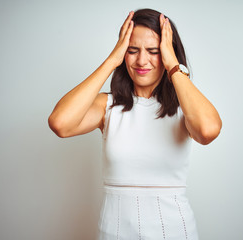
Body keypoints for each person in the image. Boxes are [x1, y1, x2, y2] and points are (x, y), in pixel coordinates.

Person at [48, 8, 222, 240]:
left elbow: (208, 131)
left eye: (153, 51)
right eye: (132, 50)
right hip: (115, 232)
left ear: (167, 51)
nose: (141, 60)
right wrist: (112, 60)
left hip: (174, 232)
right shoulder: (107, 106)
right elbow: (60, 123)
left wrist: (173, 66)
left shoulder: (185, 107)